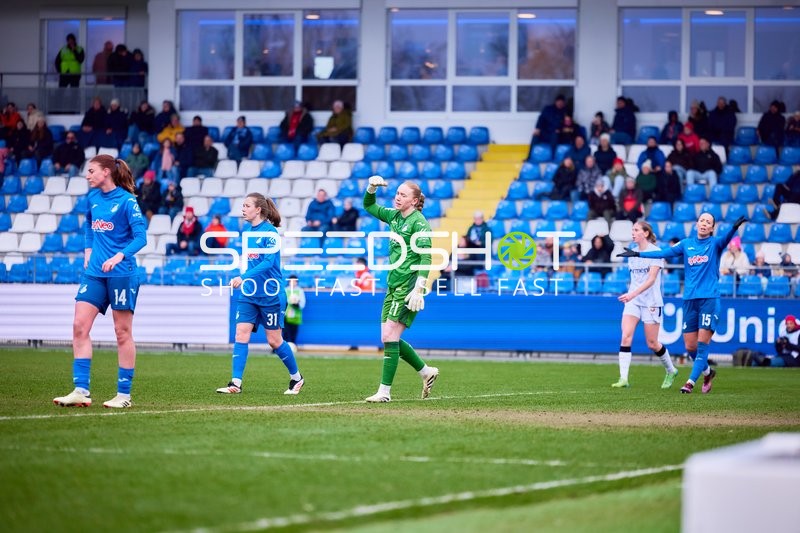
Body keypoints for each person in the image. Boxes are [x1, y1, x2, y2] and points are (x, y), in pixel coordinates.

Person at [53, 155, 146, 409]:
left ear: (106, 172)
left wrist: (119, 255)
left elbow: (141, 238)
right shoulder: (92, 198)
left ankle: (124, 395)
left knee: (122, 332)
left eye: (92, 171)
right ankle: (81, 390)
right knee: (79, 326)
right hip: (94, 273)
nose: (87, 175)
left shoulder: (128, 201)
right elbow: (89, 227)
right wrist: (87, 250)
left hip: (122, 273)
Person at [618, 212, 748, 394]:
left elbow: (726, 239)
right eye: (702, 220)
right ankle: (708, 373)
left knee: (702, 346)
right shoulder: (687, 244)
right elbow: (664, 253)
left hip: (709, 299)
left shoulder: (715, 243)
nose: (704, 223)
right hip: (689, 300)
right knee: (690, 347)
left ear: (712, 228)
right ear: (696, 224)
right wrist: (638, 253)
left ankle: (690, 382)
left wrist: (734, 228)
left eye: (708, 222)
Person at [216, 193, 304, 395]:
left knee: (274, 340)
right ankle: (235, 383)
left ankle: (296, 378)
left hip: (270, 294)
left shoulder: (270, 233)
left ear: (258, 210)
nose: (243, 209)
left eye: (247, 205)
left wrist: (244, 276)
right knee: (241, 334)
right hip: (250, 294)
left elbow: (267, 263)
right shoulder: (248, 232)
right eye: (243, 205)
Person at [362, 176, 439, 402]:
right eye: (397, 193)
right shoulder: (394, 216)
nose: (397, 197)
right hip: (393, 284)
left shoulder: (419, 223)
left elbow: (426, 257)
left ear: (414, 201)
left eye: (403, 195)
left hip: (409, 286)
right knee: (388, 337)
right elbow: (369, 205)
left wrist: (419, 288)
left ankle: (384, 392)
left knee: (389, 335)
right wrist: (371, 188)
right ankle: (426, 371)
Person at [613, 221, 679, 389]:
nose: (633, 233)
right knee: (626, 336)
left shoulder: (656, 253)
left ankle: (671, 370)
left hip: (651, 301)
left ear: (646, 233)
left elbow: (650, 280)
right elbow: (635, 279)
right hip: (633, 301)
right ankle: (624, 378)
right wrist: (632, 296)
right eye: (632, 230)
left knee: (652, 343)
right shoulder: (631, 253)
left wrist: (632, 294)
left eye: (636, 230)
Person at [284, 275, 305, 349]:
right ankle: (284, 349)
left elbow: (302, 304)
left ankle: (292, 348)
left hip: (296, 316)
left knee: (293, 333)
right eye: (291, 281)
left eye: (295, 281)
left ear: (297, 282)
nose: (293, 283)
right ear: (289, 282)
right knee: (285, 333)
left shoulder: (300, 290)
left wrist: (297, 304)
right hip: (286, 316)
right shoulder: (285, 290)